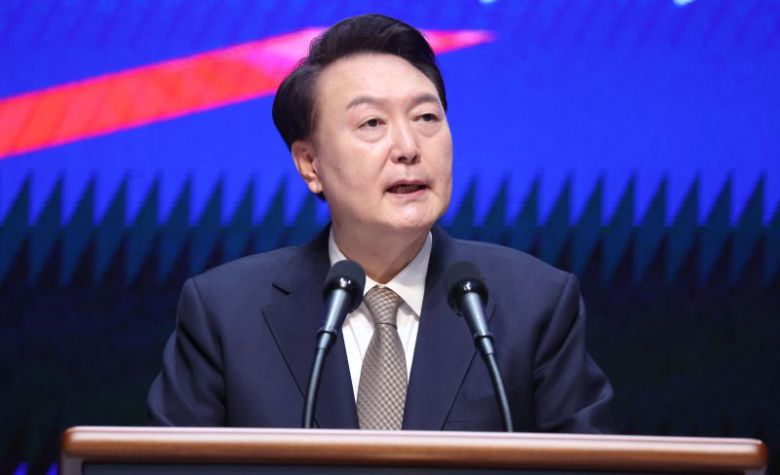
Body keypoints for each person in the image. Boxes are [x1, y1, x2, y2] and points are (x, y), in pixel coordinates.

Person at [147, 13, 613, 432]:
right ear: (310, 164)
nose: (408, 147)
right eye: (372, 123)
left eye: (426, 117)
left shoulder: (534, 304)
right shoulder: (225, 315)